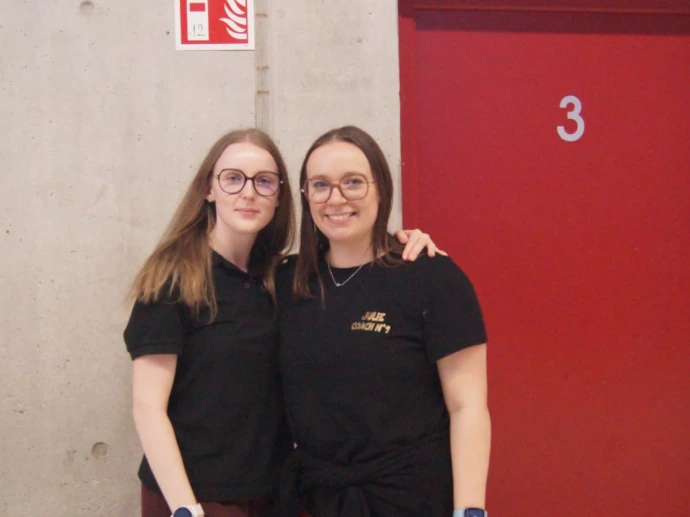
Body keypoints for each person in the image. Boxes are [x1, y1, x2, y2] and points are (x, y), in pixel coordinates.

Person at [123, 128, 441, 517]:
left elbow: (353, 258)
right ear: (209, 188)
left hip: (276, 492)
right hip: (197, 495)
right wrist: (185, 508)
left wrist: (402, 242)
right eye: (233, 178)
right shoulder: (173, 280)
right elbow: (147, 407)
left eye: (264, 181)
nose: (249, 192)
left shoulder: (284, 278)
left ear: (280, 196)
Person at [277, 126, 490, 517]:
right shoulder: (288, 283)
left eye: (353, 182)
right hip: (315, 500)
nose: (335, 198)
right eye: (320, 185)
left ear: (381, 188)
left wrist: (470, 511)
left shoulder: (432, 277)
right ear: (305, 195)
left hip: (411, 498)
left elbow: (468, 406)